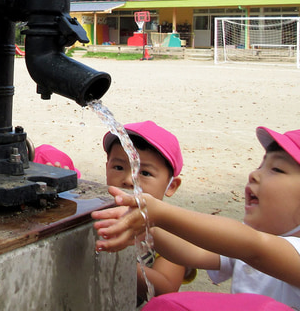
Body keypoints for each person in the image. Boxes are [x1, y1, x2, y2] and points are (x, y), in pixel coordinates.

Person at [93, 127, 300, 309]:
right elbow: (195, 249)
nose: (254, 174)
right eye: (261, 165)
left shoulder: (267, 248)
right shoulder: (247, 242)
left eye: (277, 169)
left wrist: (159, 214)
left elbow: (254, 247)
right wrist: (145, 224)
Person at [101, 121, 194, 306]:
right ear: (106, 168)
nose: (128, 180)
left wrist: (113, 260)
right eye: (119, 167)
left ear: (171, 186)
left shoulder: (171, 230)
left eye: (144, 172)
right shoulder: (100, 212)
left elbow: (166, 288)